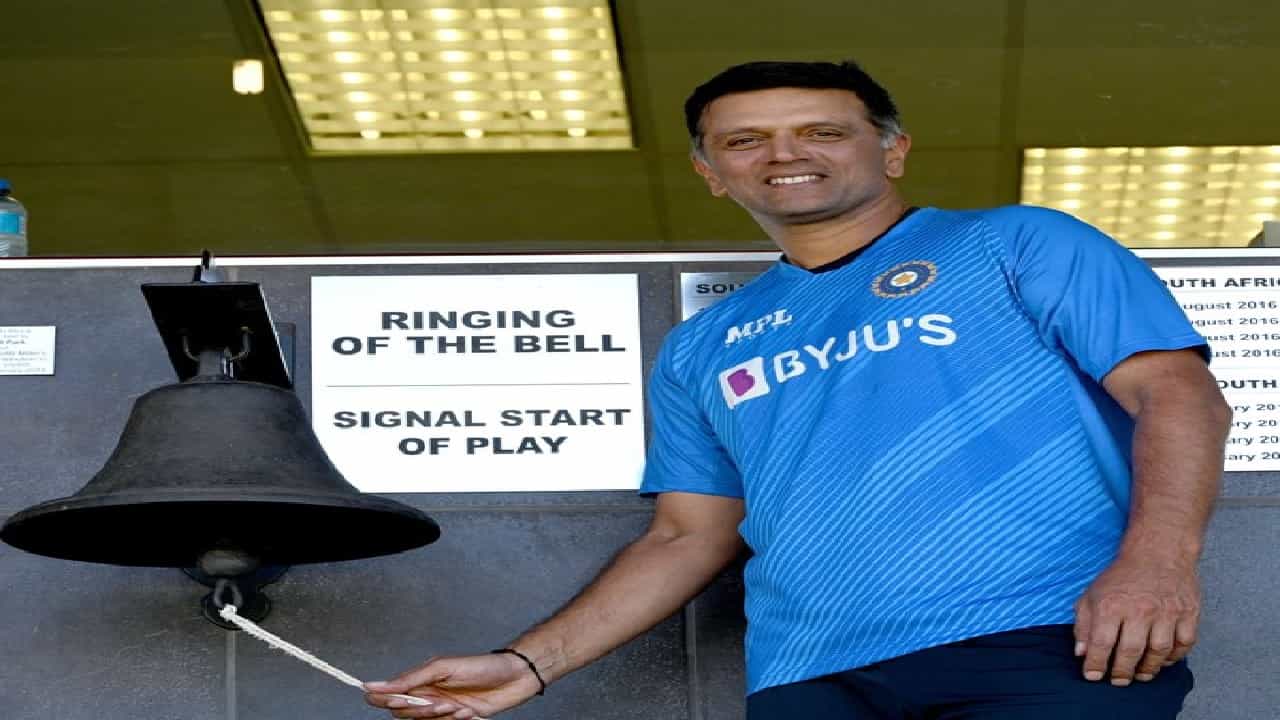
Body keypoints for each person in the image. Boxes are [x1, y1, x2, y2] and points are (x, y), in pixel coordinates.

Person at [364, 60, 1231, 719]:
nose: (784, 154)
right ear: (711, 171)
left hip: (1039, 635)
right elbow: (685, 537)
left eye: (821, 131)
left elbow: (1177, 394)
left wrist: (1158, 564)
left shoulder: (1017, 243)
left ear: (892, 149)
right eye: (744, 141)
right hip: (806, 676)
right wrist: (528, 665)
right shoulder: (702, 345)